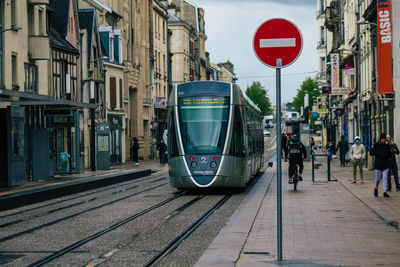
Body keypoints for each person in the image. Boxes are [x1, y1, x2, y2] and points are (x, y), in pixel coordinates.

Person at [370, 133, 392, 198]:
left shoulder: (388, 145)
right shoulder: (376, 145)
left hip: (385, 164)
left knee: (385, 178)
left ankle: (385, 192)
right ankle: (376, 188)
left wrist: (389, 157)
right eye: (382, 139)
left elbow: (390, 153)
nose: (383, 140)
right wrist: (377, 153)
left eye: (384, 139)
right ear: (380, 139)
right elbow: (371, 152)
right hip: (378, 165)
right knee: (378, 179)